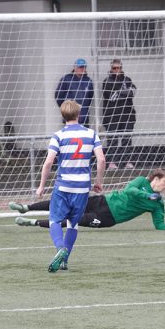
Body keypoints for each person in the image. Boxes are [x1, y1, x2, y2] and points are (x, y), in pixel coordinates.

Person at [36, 100, 105, 272]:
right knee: (73, 224)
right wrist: (98, 182)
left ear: (62, 116)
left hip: (64, 185)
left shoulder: (59, 136)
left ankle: (60, 249)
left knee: (54, 220)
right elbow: (101, 159)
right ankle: (65, 260)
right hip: (82, 187)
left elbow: (49, 162)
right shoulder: (91, 134)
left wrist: (41, 186)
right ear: (79, 114)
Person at [10, 169, 165, 234]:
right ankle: (26, 207)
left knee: (74, 220)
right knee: (65, 203)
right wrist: (147, 196)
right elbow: (130, 190)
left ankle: (32, 222)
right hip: (103, 201)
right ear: (156, 179)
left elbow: (159, 224)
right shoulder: (141, 181)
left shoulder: (158, 203)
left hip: (109, 219)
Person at [102, 59, 137, 170]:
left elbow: (133, 92)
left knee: (127, 139)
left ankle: (127, 161)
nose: (117, 70)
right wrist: (125, 92)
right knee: (112, 140)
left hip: (127, 114)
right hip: (112, 116)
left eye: (119, 68)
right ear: (111, 69)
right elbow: (112, 97)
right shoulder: (107, 81)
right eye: (115, 68)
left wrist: (119, 92)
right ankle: (112, 162)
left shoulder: (127, 80)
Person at [54, 58, 94, 126]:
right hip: (70, 118)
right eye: (80, 67)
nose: (82, 69)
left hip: (84, 118)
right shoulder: (66, 79)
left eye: (84, 67)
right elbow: (58, 96)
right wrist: (66, 109)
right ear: (75, 68)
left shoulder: (88, 81)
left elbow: (90, 97)